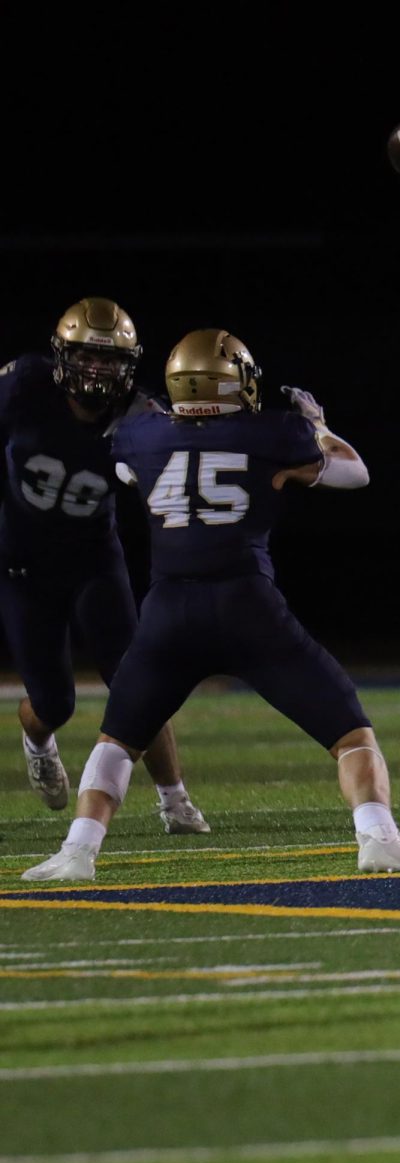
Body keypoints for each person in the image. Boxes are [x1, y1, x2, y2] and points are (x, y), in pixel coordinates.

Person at [21, 328, 400, 882]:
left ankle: (77, 852)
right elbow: (353, 471)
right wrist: (316, 426)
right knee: (350, 733)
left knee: (117, 741)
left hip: (169, 613)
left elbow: (129, 473)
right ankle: (378, 839)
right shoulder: (275, 433)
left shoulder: (141, 434)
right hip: (248, 608)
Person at [0, 297, 209, 833]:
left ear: (129, 366)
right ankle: (38, 738)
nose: (97, 370)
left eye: (110, 360)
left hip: (94, 559)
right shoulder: (22, 386)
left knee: (137, 680)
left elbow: (188, 472)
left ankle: (175, 800)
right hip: (23, 565)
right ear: (60, 357)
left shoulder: (141, 416)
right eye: (86, 357)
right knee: (53, 701)